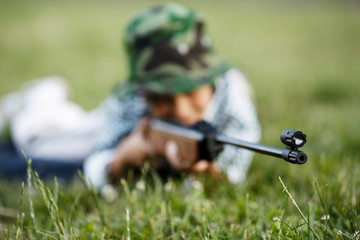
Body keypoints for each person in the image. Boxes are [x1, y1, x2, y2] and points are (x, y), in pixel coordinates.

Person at [83, 3, 261, 190]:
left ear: (211, 80)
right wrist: (123, 158)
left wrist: (207, 169)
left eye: (191, 91)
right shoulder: (130, 100)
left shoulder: (231, 97)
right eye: (163, 97)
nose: (181, 109)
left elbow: (233, 174)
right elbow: (92, 166)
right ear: (144, 94)